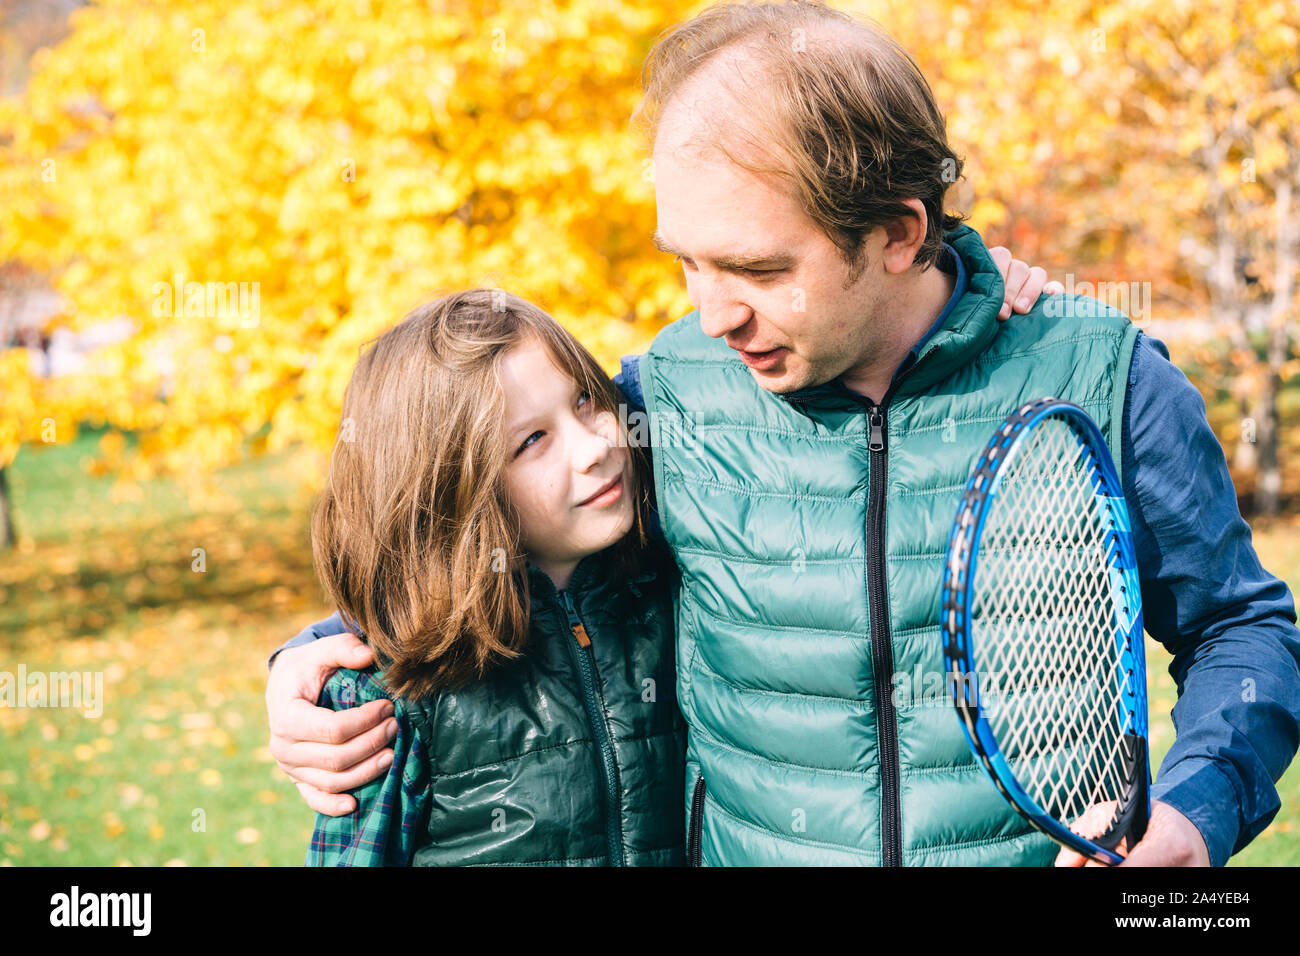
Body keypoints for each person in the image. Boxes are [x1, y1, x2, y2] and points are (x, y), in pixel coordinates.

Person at [273, 2, 1300, 866]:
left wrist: (1190, 815)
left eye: (760, 271)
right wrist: (317, 661)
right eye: (688, 262)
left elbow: (1240, 630)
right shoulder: (662, 401)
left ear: (899, 232)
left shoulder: (1106, 378)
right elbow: (496, 545)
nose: (713, 314)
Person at [300, 289, 686, 865]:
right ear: (452, 492)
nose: (595, 446)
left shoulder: (673, 586)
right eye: (532, 441)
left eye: (584, 400)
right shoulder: (395, 690)